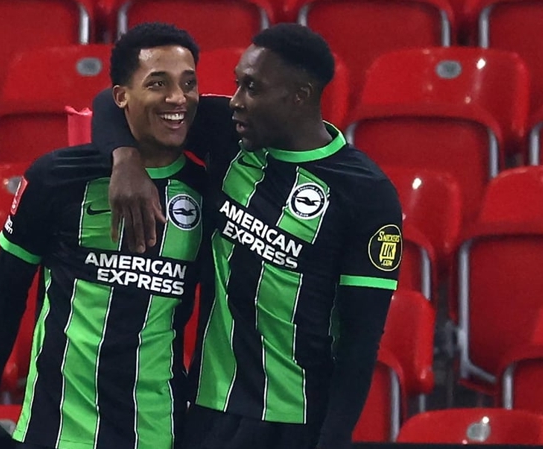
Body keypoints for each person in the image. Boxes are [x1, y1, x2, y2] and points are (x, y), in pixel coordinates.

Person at [90, 23, 402, 449]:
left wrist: (334, 437)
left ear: (299, 96)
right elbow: (111, 103)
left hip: (296, 422)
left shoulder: (366, 194)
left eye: (251, 88)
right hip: (209, 408)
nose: (235, 101)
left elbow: (361, 340)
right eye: (237, 84)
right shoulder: (230, 134)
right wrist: (124, 159)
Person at [0, 22, 207, 449]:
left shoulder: (209, 192)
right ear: (121, 97)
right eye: (158, 83)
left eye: (188, 83)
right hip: (53, 430)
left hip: (155, 432)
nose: (177, 99)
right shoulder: (56, 177)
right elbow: (5, 294)